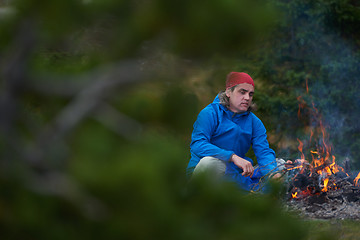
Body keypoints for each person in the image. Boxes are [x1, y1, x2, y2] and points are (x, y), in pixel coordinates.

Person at [186, 72, 281, 191]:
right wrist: (232, 156)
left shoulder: (254, 122)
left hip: (235, 180)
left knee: (280, 166)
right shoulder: (210, 113)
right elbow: (198, 144)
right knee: (211, 163)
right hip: (206, 176)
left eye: (250, 94)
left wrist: (273, 174)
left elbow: (264, 153)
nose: (247, 98)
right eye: (242, 92)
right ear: (228, 92)